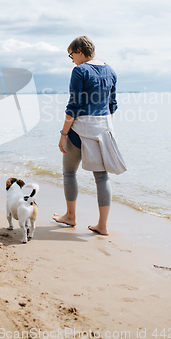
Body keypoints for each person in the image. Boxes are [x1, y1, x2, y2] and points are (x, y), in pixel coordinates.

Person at [53, 36, 126, 235]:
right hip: (103, 129)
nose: (72, 60)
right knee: (102, 178)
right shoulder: (110, 70)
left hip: (79, 131)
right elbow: (112, 105)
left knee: (69, 173)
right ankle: (102, 226)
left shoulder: (79, 70)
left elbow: (73, 106)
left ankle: (70, 216)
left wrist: (63, 134)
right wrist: (103, 125)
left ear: (80, 51)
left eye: (71, 55)